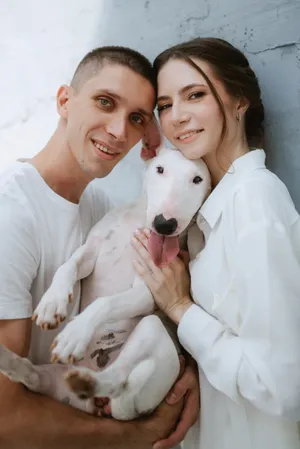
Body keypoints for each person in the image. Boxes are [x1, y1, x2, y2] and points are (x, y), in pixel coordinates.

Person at [0, 45, 200, 449]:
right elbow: (5, 418)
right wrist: (140, 434)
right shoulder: (11, 215)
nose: (117, 131)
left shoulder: (103, 210)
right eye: (104, 102)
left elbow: (152, 309)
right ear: (64, 101)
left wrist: (189, 372)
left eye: (136, 119)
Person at [132, 37, 300, 449]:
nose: (177, 117)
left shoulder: (254, 200)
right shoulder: (203, 214)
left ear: (239, 100)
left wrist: (180, 308)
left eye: (195, 94)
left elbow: (281, 386)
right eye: (166, 105)